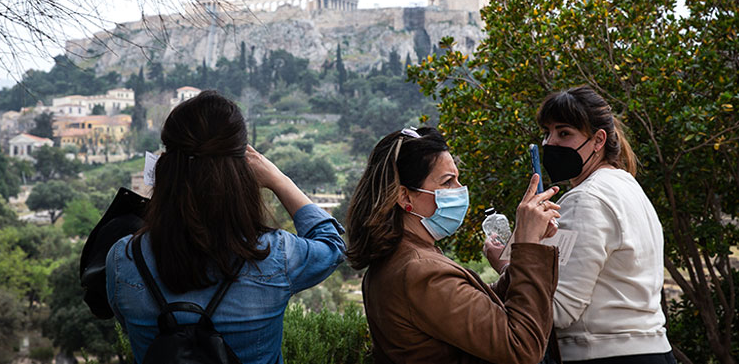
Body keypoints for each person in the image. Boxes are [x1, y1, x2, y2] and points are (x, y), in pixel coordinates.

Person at [106, 91, 345, 363]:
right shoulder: (275, 254)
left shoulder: (123, 259)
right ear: (241, 172)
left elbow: (128, 328)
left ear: (166, 167)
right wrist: (279, 180)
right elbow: (332, 246)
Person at [488, 86, 674, 364]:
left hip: (602, 354)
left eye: (564, 133)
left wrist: (508, 265)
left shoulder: (585, 198)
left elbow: (559, 310)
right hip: (651, 350)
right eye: (547, 132)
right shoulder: (629, 186)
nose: (550, 143)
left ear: (598, 140)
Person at [346, 126, 562, 364]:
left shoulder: (405, 259)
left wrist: (526, 242)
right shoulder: (420, 272)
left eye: (458, 179)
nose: (460, 190)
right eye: (448, 182)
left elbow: (472, 309)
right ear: (405, 197)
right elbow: (521, 347)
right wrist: (529, 248)